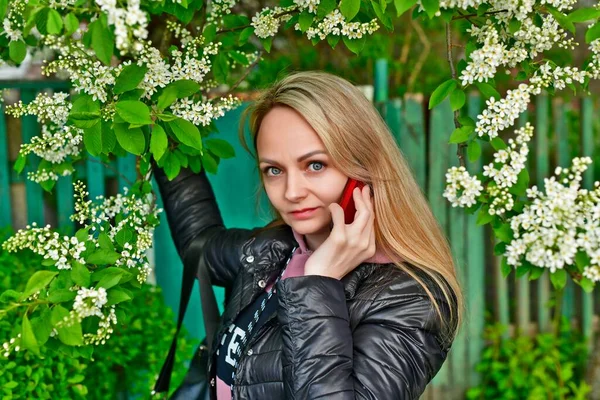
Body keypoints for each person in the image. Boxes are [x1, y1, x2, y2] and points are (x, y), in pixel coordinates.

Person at [155, 71, 463, 399]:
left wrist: (318, 282)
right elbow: (200, 242)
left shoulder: (410, 297)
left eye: (314, 165)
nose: (291, 192)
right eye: (274, 170)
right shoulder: (272, 250)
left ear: (364, 169)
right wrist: (161, 132)